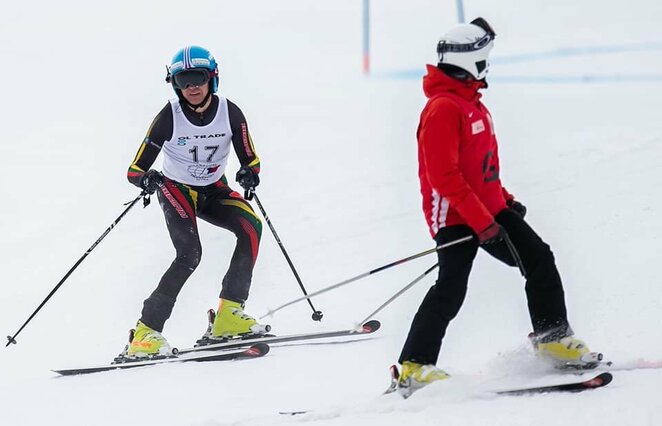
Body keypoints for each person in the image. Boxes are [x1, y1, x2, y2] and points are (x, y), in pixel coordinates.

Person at [396, 18, 600, 396]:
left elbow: (481, 168)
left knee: (539, 259)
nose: (488, 66)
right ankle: (414, 366)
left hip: (487, 211)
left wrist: (503, 201)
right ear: (471, 60)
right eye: (485, 58)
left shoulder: (471, 104)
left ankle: (552, 337)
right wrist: (482, 222)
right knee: (450, 289)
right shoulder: (443, 108)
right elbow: (444, 175)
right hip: (455, 216)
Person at [125, 45, 268, 357]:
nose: (191, 87)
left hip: (214, 190)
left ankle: (228, 315)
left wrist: (249, 174)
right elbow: (135, 168)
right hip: (177, 190)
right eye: (182, 80)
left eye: (197, 78)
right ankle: (145, 332)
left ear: (212, 79)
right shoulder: (168, 117)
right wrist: (145, 179)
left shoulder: (231, 112)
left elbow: (250, 159)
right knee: (189, 253)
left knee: (251, 226)